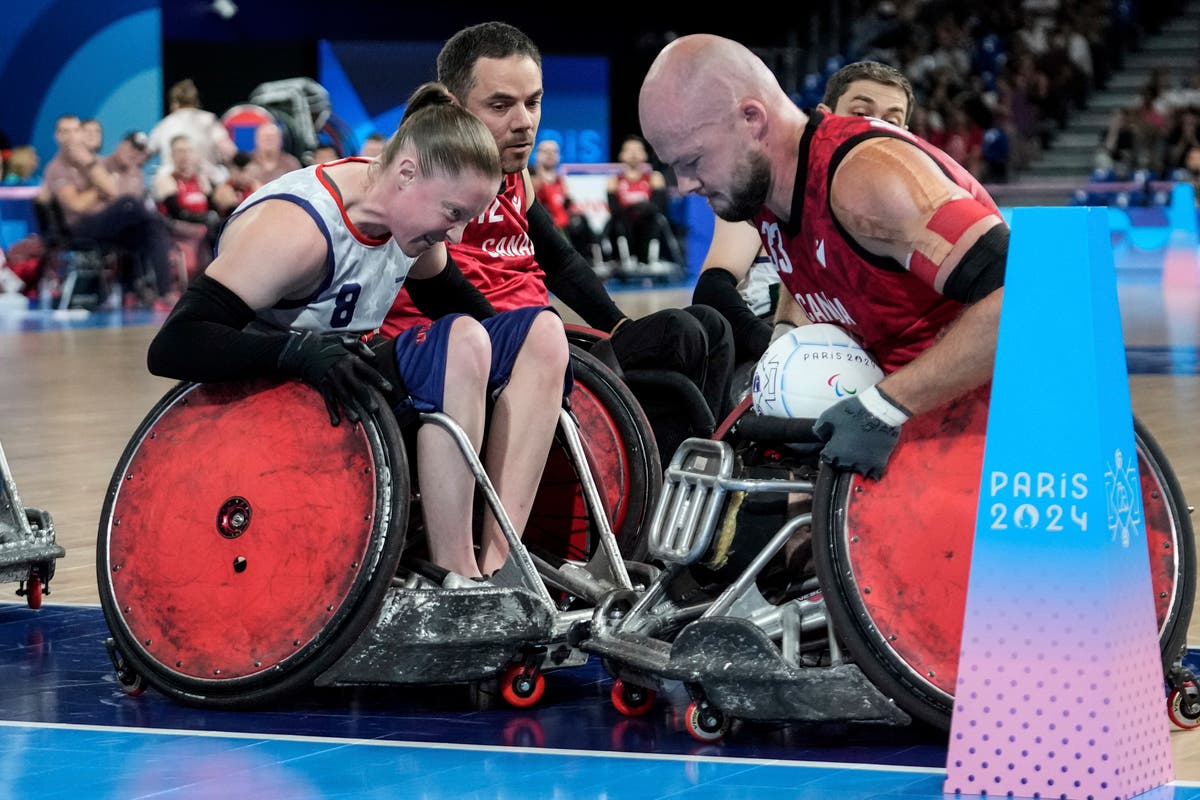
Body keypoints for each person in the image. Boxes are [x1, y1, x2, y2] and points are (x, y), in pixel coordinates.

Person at [146, 83, 571, 585]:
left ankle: (503, 565)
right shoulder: (299, 230)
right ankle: (455, 574)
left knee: (542, 333)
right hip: (275, 404)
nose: (456, 236)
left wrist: (527, 364)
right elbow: (173, 344)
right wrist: (295, 352)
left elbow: (467, 307)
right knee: (462, 341)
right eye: (454, 214)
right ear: (407, 173)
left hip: (350, 385)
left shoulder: (409, 215)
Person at [640, 35, 1006, 480]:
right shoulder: (766, 188)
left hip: (991, 432)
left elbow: (1026, 295)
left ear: (752, 119)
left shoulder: (867, 180)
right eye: (674, 167)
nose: (684, 186)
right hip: (914, 415)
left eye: (694, 160)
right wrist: (783, 342)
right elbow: (808, 266)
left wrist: (884, 407)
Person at [381, 21, 734, 426]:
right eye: (501, 106)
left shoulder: (514, 172)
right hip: (490, 353)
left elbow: (560, 260)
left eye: (532, 102)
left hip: (540, 338)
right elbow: (443, 291)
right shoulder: (421, 180)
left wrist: (619, 325)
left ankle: (708, 459)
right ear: (452, 105)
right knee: (678, 334)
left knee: (711, 326)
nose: (524, 122)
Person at [693, 60, 916, 370]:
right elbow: (712, 289)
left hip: (859, 358)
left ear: (904, 134)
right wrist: (776, 349)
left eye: (890, 120)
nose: (873, 127)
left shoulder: (911, 214)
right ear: (825, 116)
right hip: (766, 344)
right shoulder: (770, 188)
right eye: (860, 113)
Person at [41, 120, 175, 307]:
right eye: (66, 132)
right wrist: (99, 188)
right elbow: (78, 205)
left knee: (150, 227)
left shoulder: (92, 162)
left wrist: (92, 170)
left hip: (105, 226)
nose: (72, 137)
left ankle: (162, 292)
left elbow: (111, 190)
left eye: (76, 131)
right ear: (58, 136)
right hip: (79, 228)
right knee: (131, 204)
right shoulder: (58, 167)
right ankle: (146, 289)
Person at [602, 134, 685, 272]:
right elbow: (614, 209)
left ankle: (650, 259)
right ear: (621, 155)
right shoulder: (614, 181)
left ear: (645, 155)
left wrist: (640, 208)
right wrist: (635, 208)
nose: (633, 154)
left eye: (637, 150)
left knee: (655, 219)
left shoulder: (654, 178)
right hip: (625, 225)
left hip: (646, 225)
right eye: (629, 150)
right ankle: (623, 260)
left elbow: (658, 207)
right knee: (616, 222)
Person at [148, 78, 237, 185]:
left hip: (173, 183)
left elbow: (146, 152)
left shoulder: (164, 124)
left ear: (174, 103)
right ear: (196, 101)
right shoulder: (208, 120)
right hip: (204, 183)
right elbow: (229, 151)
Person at [530, 138, 599, 262]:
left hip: (563, 223)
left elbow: (568, 205)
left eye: (554, 152)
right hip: (542, 223)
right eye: (546, 151)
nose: (550, 155)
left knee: (581, 221)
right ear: (537, 155)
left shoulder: (561, 181)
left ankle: (587, 261)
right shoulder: (531, 178)